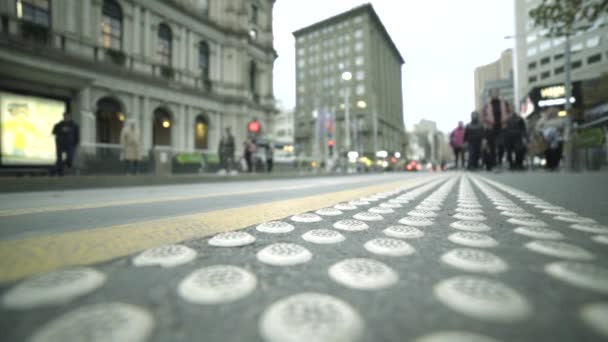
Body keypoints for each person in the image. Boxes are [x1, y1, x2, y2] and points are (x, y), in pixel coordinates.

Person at [481, 88, 512, 171]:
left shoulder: (504, 103)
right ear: (490, 95)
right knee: (492, 147)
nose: (495, 94)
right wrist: (488, 121)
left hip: (502, 127)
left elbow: (509, 113)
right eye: (493, 93)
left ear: (498, 93)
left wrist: (505, 119)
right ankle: (494, 164)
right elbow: (483, 116)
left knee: (501, 145)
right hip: (491, 128)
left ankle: (499, 161)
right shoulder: (487, 105)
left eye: (496, 92)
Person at [52, 111, 79, 176]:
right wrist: (62, 130)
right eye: (65, 116)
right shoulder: (59, 124)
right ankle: (60, 172)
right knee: (59, 159)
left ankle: (54, 169)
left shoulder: (74, 125)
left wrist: (76, 144)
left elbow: (77, 135)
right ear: (63, 117)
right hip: (60, 144)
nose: (66, 118)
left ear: (70, 117)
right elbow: (54, 132)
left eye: (68, 116)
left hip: (70, 144)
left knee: (70, 159)